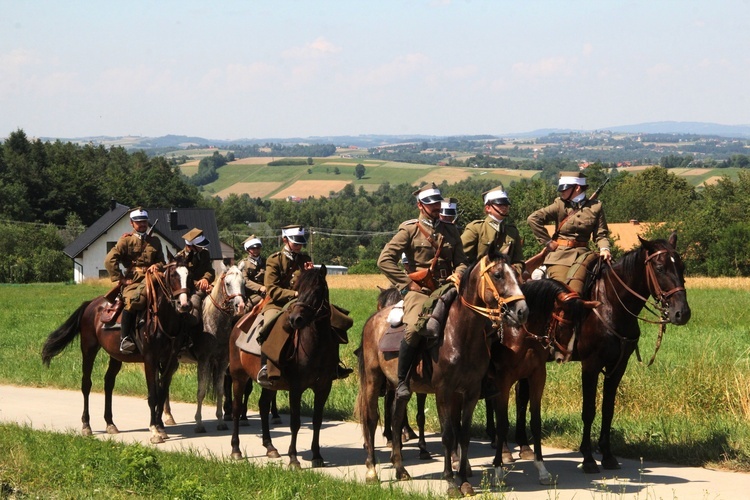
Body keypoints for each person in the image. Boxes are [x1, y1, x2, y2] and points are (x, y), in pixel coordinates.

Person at [377, 183, 468, 400]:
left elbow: (462, 261)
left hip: (448, 287)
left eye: (438, 203)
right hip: (421, 291)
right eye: (431, 204)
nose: (436, 207)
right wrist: (407, 285)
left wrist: (460, 274)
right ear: (420, 205)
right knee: (413, 329)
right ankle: (402, 381)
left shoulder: (451, 230)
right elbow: (384, 260)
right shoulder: (410, 230)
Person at [256, 225, 354, 387]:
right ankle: (267, 367)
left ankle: (333, 365)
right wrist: (294, 294)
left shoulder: (304, 258)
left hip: (303, 302)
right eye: (296, 243)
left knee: (332, 318)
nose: (299, 246)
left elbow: (310, 284)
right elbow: (272, 289)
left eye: (301, 243)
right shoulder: (274, 260)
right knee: (270, 325)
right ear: (285, 240)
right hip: (279, 303)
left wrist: (310, 274)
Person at [527, 171, 611, 294]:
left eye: (565, 189)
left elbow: (601, 234)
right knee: (564, 292)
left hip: (584, 255)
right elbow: (533, 219)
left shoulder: (595, 207)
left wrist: (604, 248)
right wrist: (548, 242)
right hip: (560, 257)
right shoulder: (560, 204)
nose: (561, 192)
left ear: (577, 188)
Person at [104, 207, 165, 354]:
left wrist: (156, 266)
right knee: (133, 301)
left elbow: (162, 262)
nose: (142, 224)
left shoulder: (155, 241)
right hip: (134, 280)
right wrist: (121, 279)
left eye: (144, 221)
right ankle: (125, 339)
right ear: (132, 223)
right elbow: (109, 260)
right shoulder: (126, 240)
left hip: (154, 278)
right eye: (138, 222)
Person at [461, 185, 525, 278]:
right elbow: (461, 257)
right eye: (499, 204)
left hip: (506, 281)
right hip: (479, 280)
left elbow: (519, 261)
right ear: (488, 208)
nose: (504, 207)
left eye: (506, 204)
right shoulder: (476, 228)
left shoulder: (512, 231)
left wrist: (513, 270)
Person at [175, 228, 215, 325]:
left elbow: (210, 270)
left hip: (205, 286)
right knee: (195, 305)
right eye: (199, 246)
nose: (201, 248)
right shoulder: (180, 257)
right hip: (189, 289)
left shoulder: (204, 253)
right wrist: (199, 283)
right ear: (190, 246)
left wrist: (205, 279)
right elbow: (181, 279)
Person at [238, 235, 266, 309]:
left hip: (267, 291)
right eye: (253, 248)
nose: (256, 250)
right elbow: (245, 281)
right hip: (251, 294)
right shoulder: (243, 264)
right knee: (247, 308)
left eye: (258, 248)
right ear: (247, 249)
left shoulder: (266, 261)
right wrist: (260, 288)